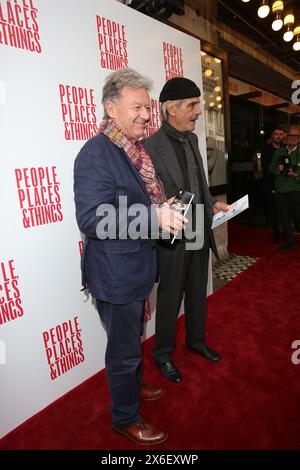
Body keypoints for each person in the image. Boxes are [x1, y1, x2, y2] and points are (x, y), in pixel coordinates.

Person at [73, 68, 186, 445]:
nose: (145, 115)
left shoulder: (131, 150)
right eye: (136, 106)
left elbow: (132, 204)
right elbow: (92, 218)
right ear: (111, 107)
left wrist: (161, 206)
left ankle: (132, 389)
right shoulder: (96, 153)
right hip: (115, 273)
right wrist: (154, 215)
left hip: (136, 267)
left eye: (147, 107)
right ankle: (124, 417)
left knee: (131, 341)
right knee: (123, 351)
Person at [142, 77, 229, 383]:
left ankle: (196, 340)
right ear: (171, 109)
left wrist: (212, 203)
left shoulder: (192, 140)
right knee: (170, 295)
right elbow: (148, 196)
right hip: (173, 233)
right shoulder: (149, 146)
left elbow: (198, 182)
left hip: (199, 228)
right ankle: (163, 353)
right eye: (192, 105)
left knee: (197, 290)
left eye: (197, 105)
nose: (198, 112)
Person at [269, 125, 300, 252]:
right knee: (284, 217)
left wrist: (296, 175)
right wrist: (278, 169)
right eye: (291, 135)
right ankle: (289, 241)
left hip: (296, 189)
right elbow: (270, 168)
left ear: (299, 138)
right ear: (286, 137)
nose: (293, 138)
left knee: (298, 217)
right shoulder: (279, 152)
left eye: (296, 136)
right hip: (281, 190)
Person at [261, 127, 285, 243]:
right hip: (270, 184)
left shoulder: (286, 149)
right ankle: (276, 232)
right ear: (272, 136)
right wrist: (279, 171)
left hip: (285, 185)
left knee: (285, 210)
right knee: (273, 210)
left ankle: (286, 232)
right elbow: (265, 168)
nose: (279, 136)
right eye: (276, 134)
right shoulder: (266, 150)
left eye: (281, 134)